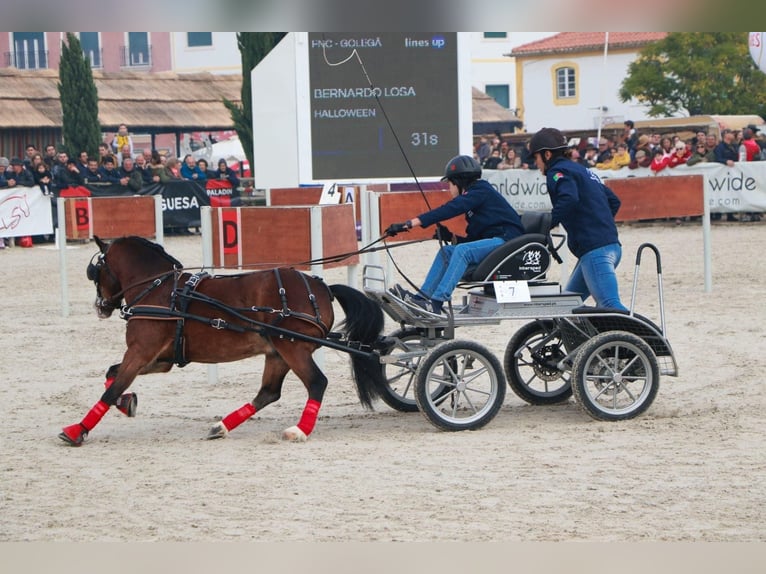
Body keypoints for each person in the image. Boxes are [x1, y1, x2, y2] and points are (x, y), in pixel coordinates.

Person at [384, 155, 525, 314]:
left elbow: (450, 209)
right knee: (448, 251)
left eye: (450, 183)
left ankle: (436, 303)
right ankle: (422, 299)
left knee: (462, 251)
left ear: (459, 181)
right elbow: (473, 240)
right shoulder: (475, 203)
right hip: (496, 240)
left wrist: (408, 224)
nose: (448, 188)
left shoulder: (481, 190)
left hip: (507, 240)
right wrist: (450, 237)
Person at [526, 127, 627, 311]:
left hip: (595, 251)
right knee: (565, 307)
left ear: (547, 154)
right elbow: (614, 201)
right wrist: (596, 223)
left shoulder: (556, 172)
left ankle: (638, 340)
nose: (536, 163)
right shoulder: (582, 170)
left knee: (610, 305)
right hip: (610, 245)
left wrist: (548, 224)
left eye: (535, 158)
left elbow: (569, 199)